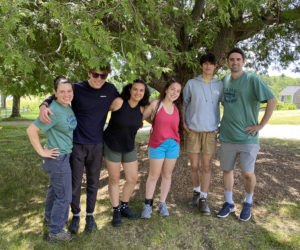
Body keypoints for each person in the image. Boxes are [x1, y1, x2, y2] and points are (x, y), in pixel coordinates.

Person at [39, 65, 118, 233]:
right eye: (95, 74)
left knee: (93, 182)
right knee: (74, 184)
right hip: (76, 145)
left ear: (106, 76)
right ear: (88, 73)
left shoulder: (110, 89)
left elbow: (124, 102)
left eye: (102, 75)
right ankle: (75, 215)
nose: (98, 78)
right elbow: (56, 95)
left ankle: (90, 215)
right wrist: (43, 105)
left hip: (97, 145)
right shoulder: (77, 88)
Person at [217, 48, 277, 221]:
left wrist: (260, 125)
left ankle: (248, 202)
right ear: (227, 62)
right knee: (226, 170)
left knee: (247, 173)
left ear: (243, 61)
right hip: (227, 136)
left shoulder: (252, 79)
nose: (234, 62)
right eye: (231, 59)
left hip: (247, 137)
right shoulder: (225, 80)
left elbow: (272, 100)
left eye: (238, 59)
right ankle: (228, 203)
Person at [27, 76, 77, 242]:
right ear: (55, 93)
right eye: (62, 91)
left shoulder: (66, 107)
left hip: (62, 156)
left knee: (54, 191)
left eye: (69, 91)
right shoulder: (52, 110)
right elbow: (31, 130)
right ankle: (55, 231)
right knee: (64, 197)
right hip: (57, 158)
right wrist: (42, 152)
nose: (66, 94)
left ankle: (49, 218)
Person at [103, 79, 150, 227]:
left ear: (144, 93)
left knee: (132, 178)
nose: (138, 93)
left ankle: (124, 206)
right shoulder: (118, 102)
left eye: (141, 90)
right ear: (130, 90)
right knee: (114, 179)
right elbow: (100, 110)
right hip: (112, 145)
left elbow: (157, 117)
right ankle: (116, 210)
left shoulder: (142, 109)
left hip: (129, 146)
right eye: (135, 89)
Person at [183, 53, 223, 215]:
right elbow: (184, 103)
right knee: (194, 165)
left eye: (211, 64)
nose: (208, 66)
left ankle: (204, 199)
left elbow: (227, 104)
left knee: (206, 166)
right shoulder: (192, 83)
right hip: (193, 130)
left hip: (210, 131)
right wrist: (184, 123)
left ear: (215, 66)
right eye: (205, 63)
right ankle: (196, 192)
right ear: (201, 66)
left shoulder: (220, 84)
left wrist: (222, 125)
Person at [141, 78, 183, 218]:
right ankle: (147, 205)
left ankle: (162, 203)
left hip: (173, 145)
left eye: (178, 91)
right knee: (154, 175)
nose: (174, 93)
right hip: (157, 144)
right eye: (172, 89)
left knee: (167, 175)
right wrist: (152, 122)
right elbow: (141, 117)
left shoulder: (177, 108)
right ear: (166, 90)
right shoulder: (155, 104)